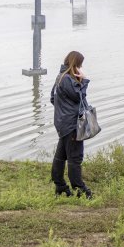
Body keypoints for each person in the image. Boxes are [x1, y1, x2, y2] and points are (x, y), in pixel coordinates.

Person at [50, 50, 93, 199]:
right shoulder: (68, 79)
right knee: (75, 158)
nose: (81, 68)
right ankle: (80, 189)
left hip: (62, 123)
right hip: (72, 125)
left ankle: (60, 186)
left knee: (61, 156)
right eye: (80, 65)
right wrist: (84, 81)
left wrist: (63, 109)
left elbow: (52, 99)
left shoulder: (59, 78)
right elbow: (77, 96)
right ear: (76, 64)